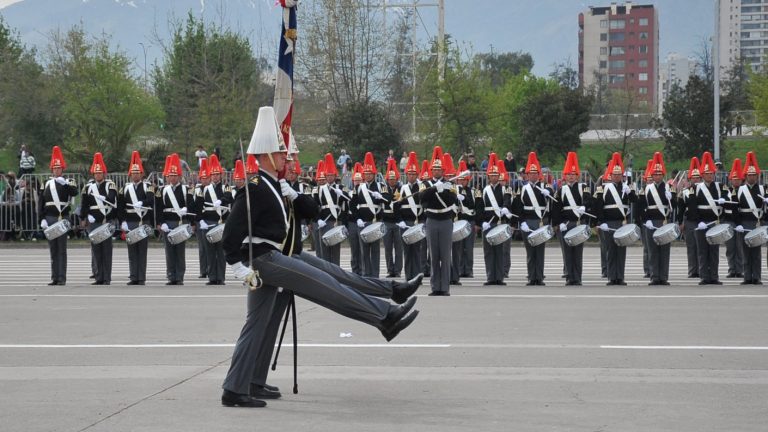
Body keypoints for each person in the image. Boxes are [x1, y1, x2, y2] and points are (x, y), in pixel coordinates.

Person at [220, 107, 419, 408]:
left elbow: (311, 211)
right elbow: (231, 234)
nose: (286, 158)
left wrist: (291, 193)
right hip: (264, 259)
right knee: (326, 283)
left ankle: (243, 384)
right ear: (265, 155)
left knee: (260, 323)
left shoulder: (276, 186)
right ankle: (384, 315)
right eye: (281, 153)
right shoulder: (256, 188)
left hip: (275, 257)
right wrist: (237, 266)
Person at [594, 152, 637, 286]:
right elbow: (599, 206)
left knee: (621, 251)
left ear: (622, 176)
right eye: (615, 174)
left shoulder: (626, 188)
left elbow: (636, 201)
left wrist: (631, 192)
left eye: (619, 175)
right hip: (609, 222)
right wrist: (601, 222)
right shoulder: (604, 188)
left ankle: (620, 277)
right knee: (611, 250)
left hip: (622, 221)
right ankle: (612, 277)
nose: (617, 177)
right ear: (610, 175)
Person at [688, 152, 730, 285]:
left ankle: (714, 276)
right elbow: (692, 207)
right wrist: (698, 221)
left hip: (715, 221)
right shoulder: (695, 188)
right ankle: (704, 277)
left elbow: (727, 200)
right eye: (707, 173)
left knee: (714, 251)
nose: (710, 175)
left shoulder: (720, 186)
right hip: (701, 222)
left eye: (712, 173)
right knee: (702, 250)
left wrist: (725, 199)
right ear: (702, 174)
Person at [512, 152, 553, 286]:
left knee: (540, 251)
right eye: (531, 173)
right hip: (528, 221)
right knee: (530, 251)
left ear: (539, 174)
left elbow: (552, 204)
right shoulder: (522, 189)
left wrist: (549, 194)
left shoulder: (545, 187)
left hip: (540, 221)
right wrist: (521, 222)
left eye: (536, 173)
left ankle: (539, 277)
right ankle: (531, 277)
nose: (533, 175)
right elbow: (518, 208)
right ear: (527, 175)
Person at [39, 146, 78, 285]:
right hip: (49, 218)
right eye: (55, 168)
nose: (57, 170)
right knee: (53, 249)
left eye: (59, 168)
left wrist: (65, 184)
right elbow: (41, 203)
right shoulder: (45, 183)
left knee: (62, 249)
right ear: (52, 170)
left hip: (62, 217)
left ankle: (61, 277)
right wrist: (41, 218)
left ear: (63, 169)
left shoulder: (68, 181)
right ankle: (54, 277)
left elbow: (74, 193)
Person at [551, 152, 592, 286]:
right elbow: (556, 208)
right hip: (566, 224)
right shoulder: (561, 190)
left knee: (578, 252)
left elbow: (588, 200)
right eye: (569, 174)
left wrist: (584, 207)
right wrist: (558, 223)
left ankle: (577, 278)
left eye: (573, 174)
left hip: (578, 223)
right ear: (565, 176)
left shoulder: (583, 187)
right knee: (567, 253)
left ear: (577, 176)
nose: (571, 176)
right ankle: (569, 277)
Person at [421, 146, 458, 296]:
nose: (437, 172)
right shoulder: (426, 184)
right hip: (432, 219)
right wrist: (434, 189)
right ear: (432, 171)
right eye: (434, 170)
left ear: (443, 171)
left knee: (445, 254)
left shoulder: (450, 184)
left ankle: (445, 288)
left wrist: (443, 189)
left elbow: (452, 200)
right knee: (434, 255)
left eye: (439, 170)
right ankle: (435, 287)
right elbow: (422, 200)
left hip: (445, 220)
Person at [156, 153, 193, 285]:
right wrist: (160, 223)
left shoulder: (186, 189)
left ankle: (180, 277)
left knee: (180, 251)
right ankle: (171, 276)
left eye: (174, 175)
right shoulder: (163, 190)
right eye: (170, 175)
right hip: (168, 222)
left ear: (179, 176)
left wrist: (187, 214)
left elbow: (191, 206)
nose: (172, 178)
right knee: (169, 251)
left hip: (180, 222)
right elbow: (159, 208)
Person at [118, 151, 154, 285]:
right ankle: (133, 276)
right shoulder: (125, 188)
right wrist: (122, 222)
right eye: (133, 173)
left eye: (138, 173)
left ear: (142, 174)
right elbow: (120, 207)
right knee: (132, 252)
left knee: (142, 251)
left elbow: (151, 201)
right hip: (130, 222)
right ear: (130, 174)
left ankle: (141, 277)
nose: (135, 175)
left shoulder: (148, 186)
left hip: (142, 222)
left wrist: (143, 203)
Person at [639, 152, 675, 286]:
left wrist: (671, 198)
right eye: (655, 174)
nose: (658, 176)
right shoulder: (646, 188)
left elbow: (674, 206)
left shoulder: (669, 187)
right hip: (651, 222)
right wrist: (645, 220)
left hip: (664, 220)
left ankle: (663, 277)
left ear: (663, 175)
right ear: (652, 175)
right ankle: (654, 276)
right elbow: (641, 206)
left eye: (660, 174)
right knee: (653, 250)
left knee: (665, 251)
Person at [195, 154, 231, 285]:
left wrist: (221, 200)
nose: (215, 176)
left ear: (221, 175)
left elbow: (229, 197)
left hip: (220, 222)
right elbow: (198, 206)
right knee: (209, 251)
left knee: (221, 252)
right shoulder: (204, 189)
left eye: (217, 174)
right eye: (213, 174)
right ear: (210, 175)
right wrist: (200, 221)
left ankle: (220, 277)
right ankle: (212, 277)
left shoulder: (225, 187)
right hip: (208, 222)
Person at [352, 152, 387, 278]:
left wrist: (381, 197)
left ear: (374, 174)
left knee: (376, 250)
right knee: (364, 251)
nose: (367, 176)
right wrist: (357, 219)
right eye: (365, 174)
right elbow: (352, 205)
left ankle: (375, 275)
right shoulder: (358, 188)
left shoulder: (381, 186)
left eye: (369, 173)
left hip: (375, 221)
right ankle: (366, 275)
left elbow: (389, 202)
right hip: (363, 222)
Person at [735, 152, 766, 285]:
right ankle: (747, 277)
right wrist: (738, 223)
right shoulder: (740, 189)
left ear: (757, 176)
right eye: (749, 175)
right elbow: (736, 208)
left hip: (757, 222)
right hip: (745, 222)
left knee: (756, 252)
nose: (752, 177)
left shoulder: (762, 189)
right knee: (746, 250)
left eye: (754, 175)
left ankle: (757, 277)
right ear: (746, 176)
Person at [478, 153, 507, 285]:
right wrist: (481, 222)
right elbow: (479, 208)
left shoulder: (504, 189)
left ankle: (499, 277)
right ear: (489, 176)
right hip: (488, 224)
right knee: (488, 252)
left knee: (500, 251)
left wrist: (506, 208)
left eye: (496, 175)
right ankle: (490, 277)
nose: (494, 177)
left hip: (499, 223)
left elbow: (507, 203)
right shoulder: (483, 190)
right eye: (492, 175)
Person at [396, 152, 424, 280]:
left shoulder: (422, 187)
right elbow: (397, 207)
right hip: (405, 223)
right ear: (406, 175)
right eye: (409, 174)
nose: (411, 176)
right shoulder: (403, 189)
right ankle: (408, 276)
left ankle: (417, 276)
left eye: (413, 174)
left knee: (418, 251)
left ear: (417, 175)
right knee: (407, 252)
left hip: (417, 222)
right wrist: (400, 220)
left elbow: (425, 206)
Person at [316, 153, 346, 266]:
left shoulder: (340, 188)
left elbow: (348, 202)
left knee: (335, 250)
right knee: (324, 251)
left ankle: (337, 274)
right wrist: (318, 219)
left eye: (331, 175)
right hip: (324, 222)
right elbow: (316, 206)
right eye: (327, 175)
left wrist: (342, 193)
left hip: (335, 222)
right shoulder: (320, 189)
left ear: (335, 176)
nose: (329, 177)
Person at [676, 157, 702, 279]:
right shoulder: (684, 192)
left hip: (702, 222)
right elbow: (680, 209)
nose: (696, 180)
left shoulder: (704, 191)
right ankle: (693, 270)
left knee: (701, 247)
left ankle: (702, 269)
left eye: (698, 178)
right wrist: (680, 222)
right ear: (690, 179)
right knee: (691, 247)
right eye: (694, 178)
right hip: (690, 222)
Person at [454, 160, 478, 279]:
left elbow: (473, 205)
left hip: (469, 220)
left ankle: (468, 270)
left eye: (464, 179)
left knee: (468, 247)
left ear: (467, 180)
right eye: (460, 179)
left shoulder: (472, 191)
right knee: (458, 247)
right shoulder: (454, 191)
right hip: (458, 221)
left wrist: (464, 198)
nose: (462, 181)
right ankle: (459, 269)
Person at [382, 158, 404, 278]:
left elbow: (399, 203)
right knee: (388, 248)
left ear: (397, 179)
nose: (392, 181)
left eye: (394, 179)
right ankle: (390, 270)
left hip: (398, 222)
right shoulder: (384, 189)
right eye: (390, 179)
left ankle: (398, 270)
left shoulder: (401, 189)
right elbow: (386, 202)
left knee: (399, 248)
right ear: (387, 179)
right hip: (387, 221)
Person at [723, 159, 744, 279]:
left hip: (740, 221)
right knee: (730, 247)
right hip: (729, 220)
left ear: (741, 180)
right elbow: (725, 204)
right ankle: (732, 269)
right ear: (731, 180)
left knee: (739, 247)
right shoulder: (726, 190)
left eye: (738, 179)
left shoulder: (743, 190)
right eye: (734, 179)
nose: (736, 181)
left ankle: (739, 269)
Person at [193, 159, 211, 279]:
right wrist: (195, 222)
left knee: (211, 248)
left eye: (207, 178)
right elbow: (195, 208)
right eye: (203, 178)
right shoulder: (196, 190)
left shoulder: (212, 189)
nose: (205, 180)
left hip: (210, 221)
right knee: (202, 248)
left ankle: (211, 269)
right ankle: (203, 270)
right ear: (200, 179)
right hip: (200, 221)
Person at [347, 162, 364, 275]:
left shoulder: (365, 193)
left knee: (362, 249)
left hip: (362, 223)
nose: (357, 182)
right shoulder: (348, 193)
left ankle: (362, 270)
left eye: (359, 180)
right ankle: (355, 270)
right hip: (352, 223)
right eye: (355, 180)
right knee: (354, 248)